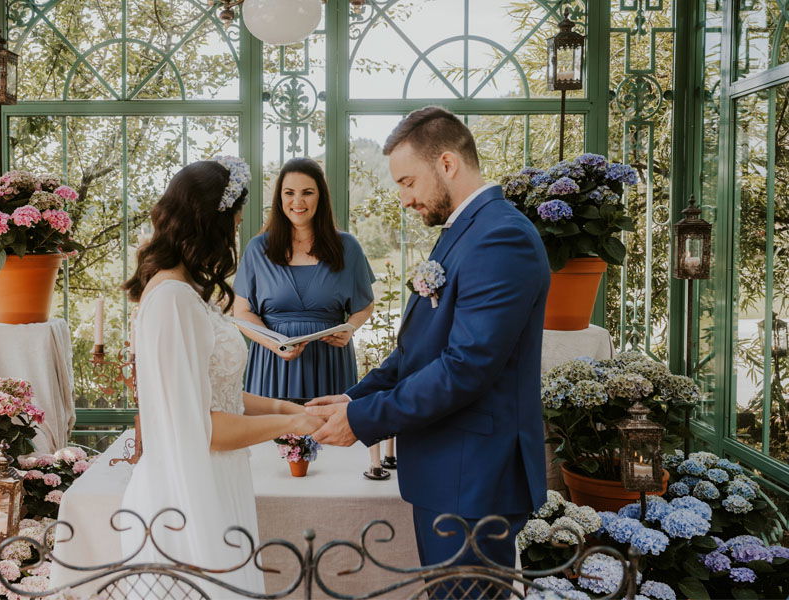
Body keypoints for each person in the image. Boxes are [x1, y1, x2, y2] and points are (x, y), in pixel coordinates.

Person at [305, 107, 550, 593]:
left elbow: (464, 368)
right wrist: (354, 399)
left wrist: (364, 420)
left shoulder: (500, 237)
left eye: (408, 182)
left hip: (474, 477)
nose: (404, 198)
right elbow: (416, 352)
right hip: (449, 469)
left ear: (446, 163)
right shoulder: (461, 234)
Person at [120, 157, 325, 596]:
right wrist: (292, 425)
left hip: (220, 476)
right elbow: (205, 428)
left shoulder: (185, 292)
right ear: (208, 223)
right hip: (191, 488)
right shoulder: (172, 300)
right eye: (232, 220)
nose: (235, 231)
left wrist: (278, 406)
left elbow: (215, 393)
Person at [233, 158, 376, 403]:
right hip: (272, 365)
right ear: (279, 198)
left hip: (330, 365)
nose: (297, 202)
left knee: (330, 435)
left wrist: (350, 328)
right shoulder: (258, 249)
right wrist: (275, 344)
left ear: (320, 197)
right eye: (289, 193)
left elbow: (364, 305)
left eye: (307, 193)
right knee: (269, 436)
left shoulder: (347, 247)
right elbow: (242, 312)